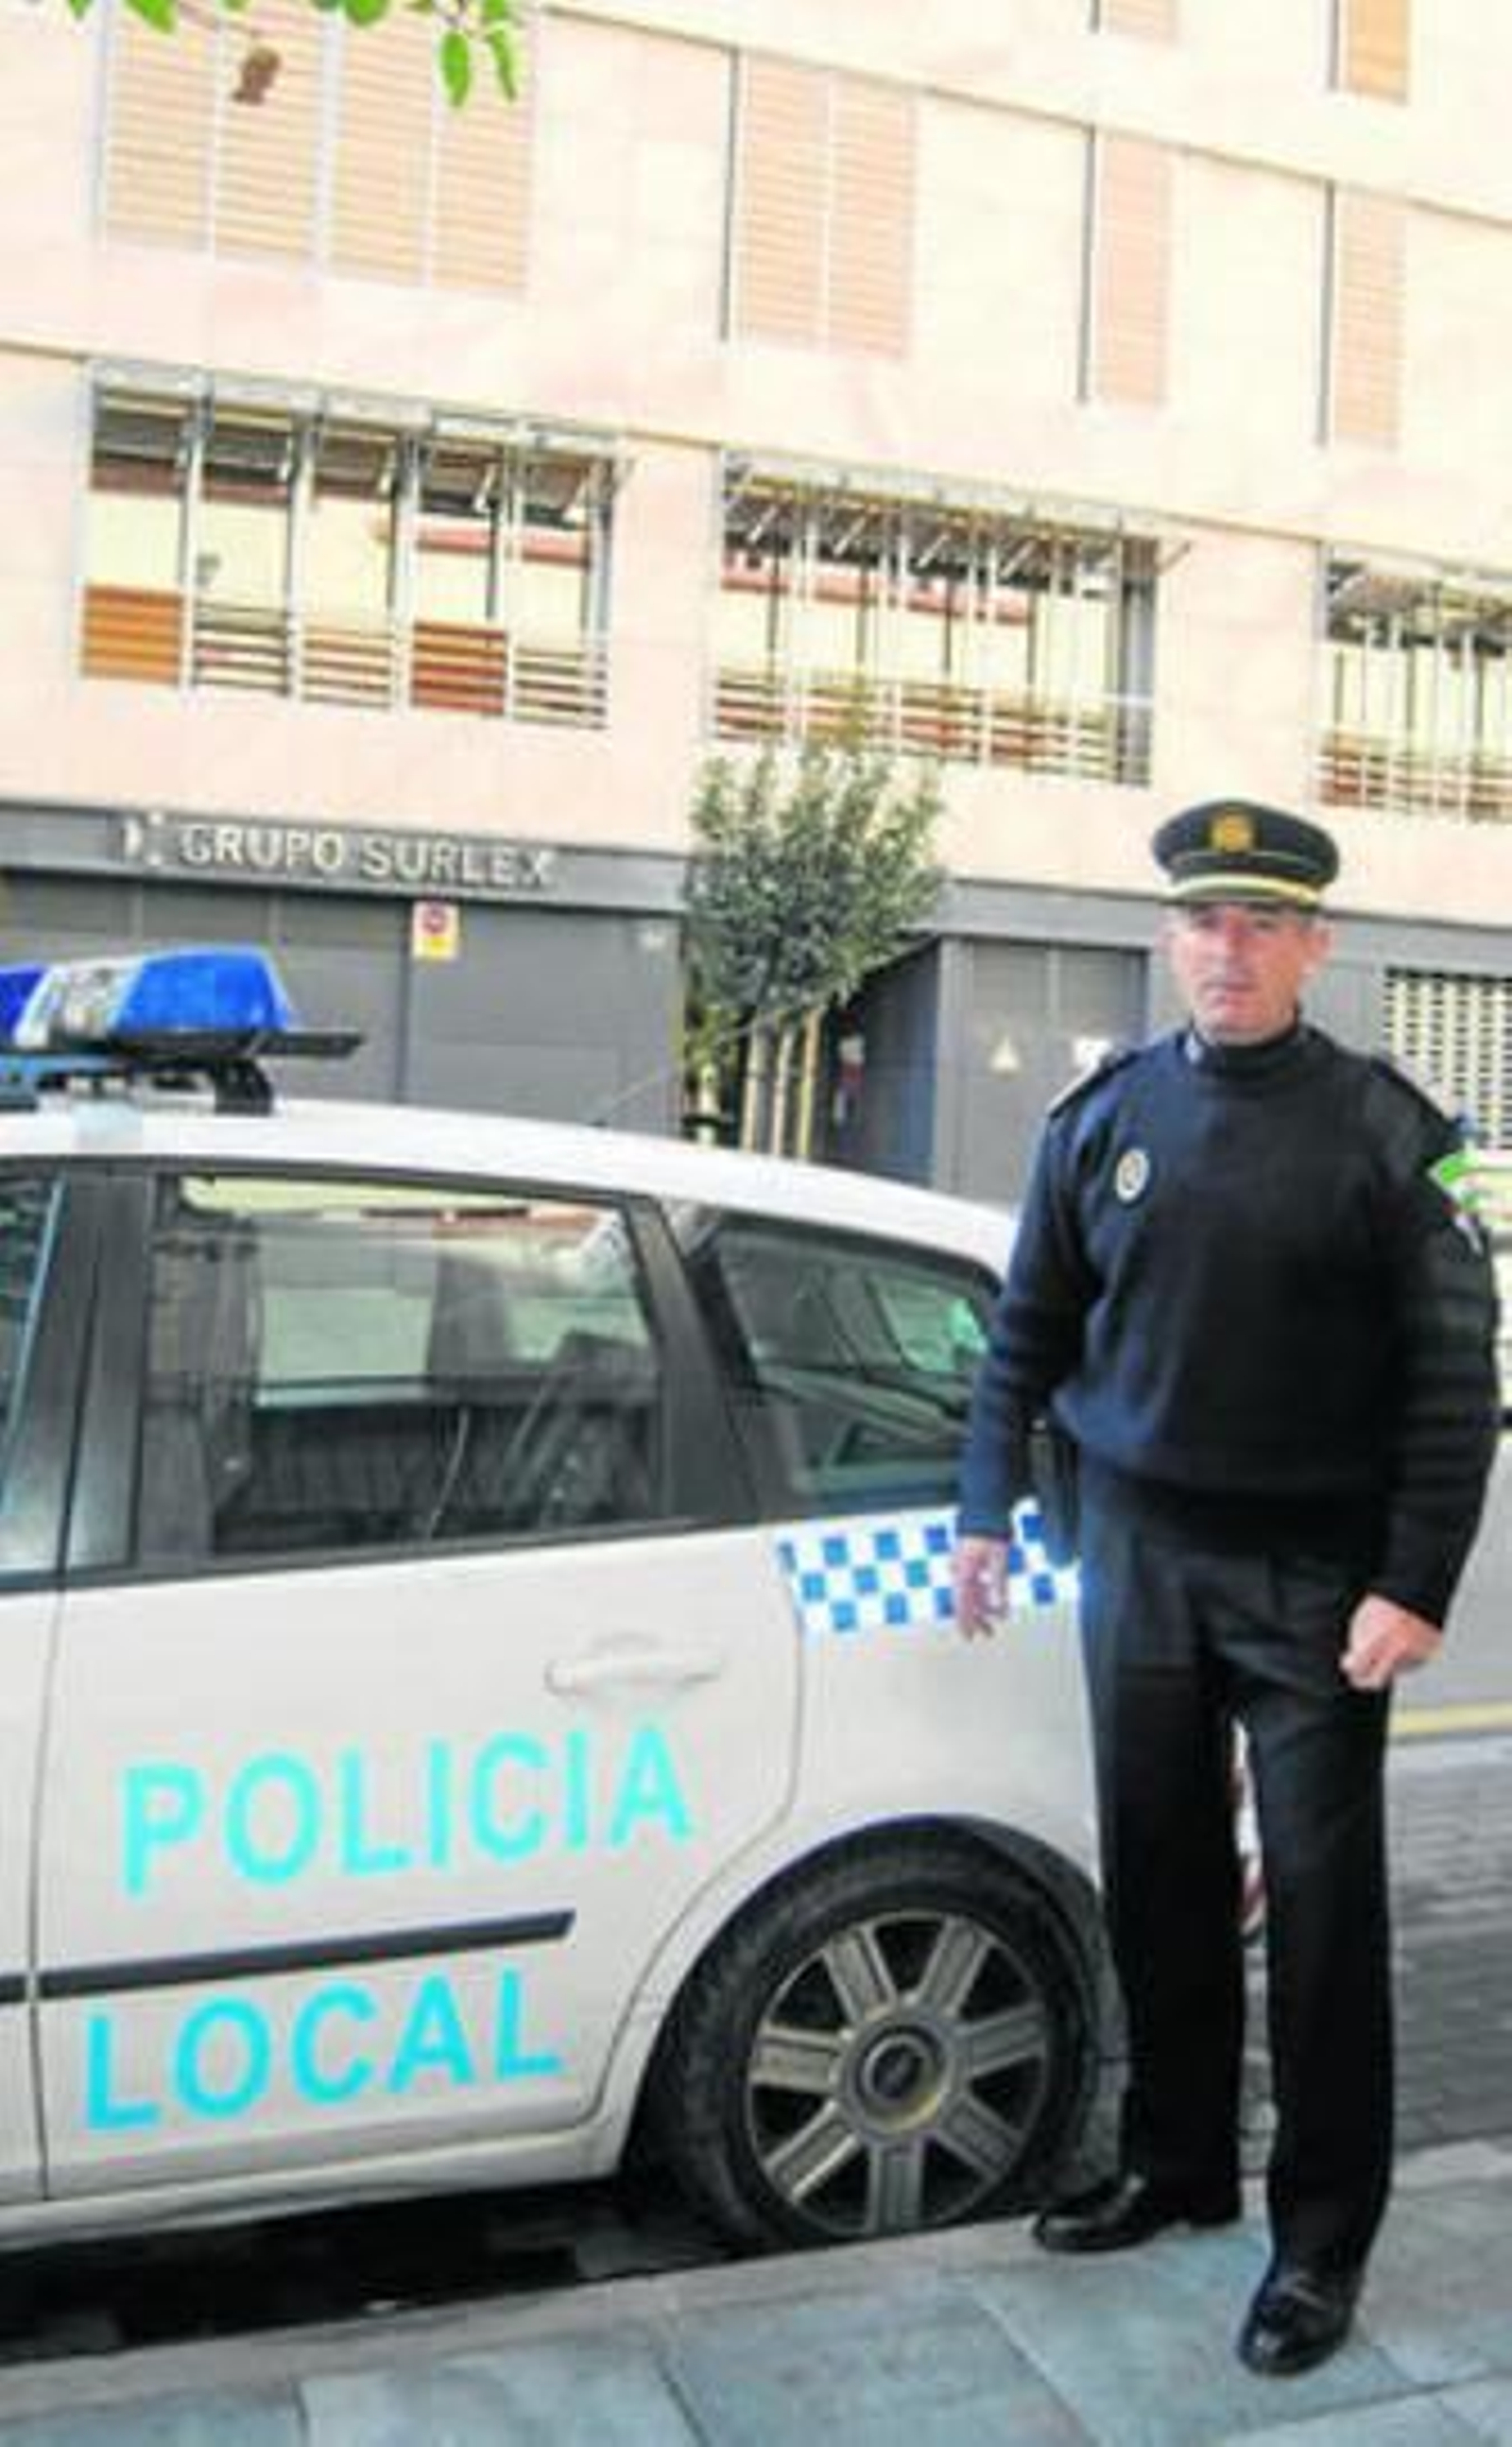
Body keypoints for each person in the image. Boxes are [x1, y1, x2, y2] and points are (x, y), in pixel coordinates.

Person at [953, 799, 1500, 2379]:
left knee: (1325, 1923)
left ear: (1315, 944)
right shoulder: (1103, 1119)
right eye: (1205, 921)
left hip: (1320, 1579)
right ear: (1171, 938)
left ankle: (1319, 2238)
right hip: (1137, 1553)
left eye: (1262, 924)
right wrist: (986, 1508)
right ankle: (1174, 2162)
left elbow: (1454, 1383)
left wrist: (1414, 1584)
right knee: (1163, 1877)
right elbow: (1027, 1333)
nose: (1229, 948)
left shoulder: (1391, 1136)